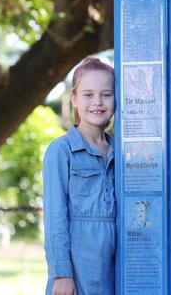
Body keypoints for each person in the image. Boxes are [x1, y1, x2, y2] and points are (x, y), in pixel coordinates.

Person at [42, 57, 116, 295]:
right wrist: (61, 274)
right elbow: (55, 219)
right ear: (74, 98)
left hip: (116, 268)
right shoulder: (61, 151)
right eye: (88, 95)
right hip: (79, 269)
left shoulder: (123, 152)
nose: (97, 102)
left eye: (106, 94)